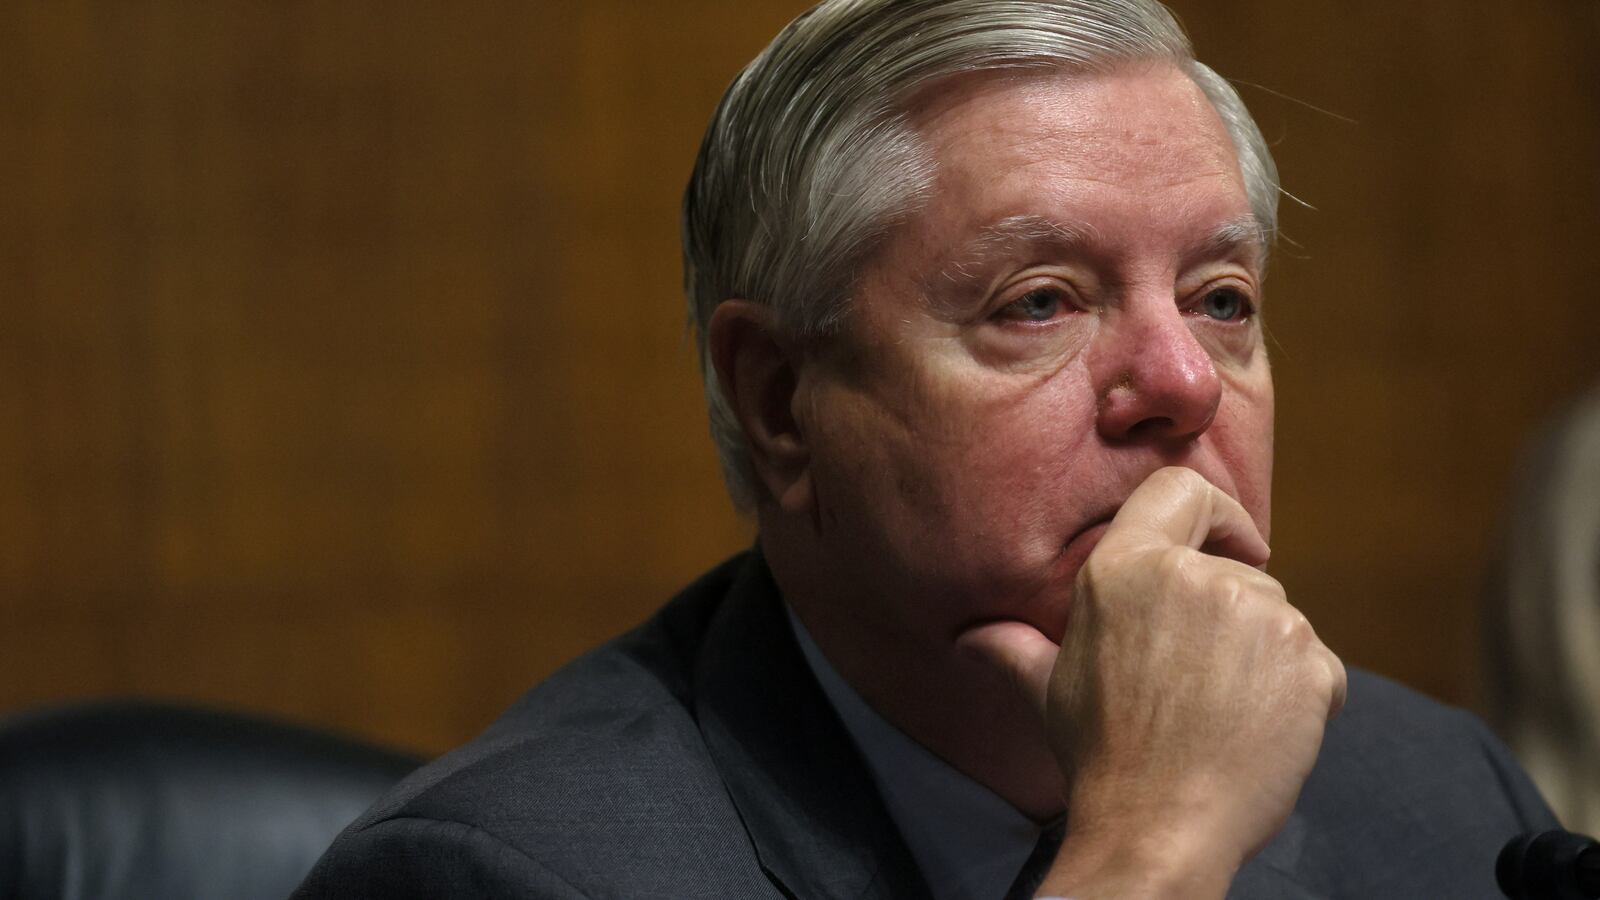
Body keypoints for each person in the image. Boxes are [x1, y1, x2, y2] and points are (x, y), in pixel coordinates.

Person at [295, 1, 1555, 897]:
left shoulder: (1440, 803)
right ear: (782, 403)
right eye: (1041, 301)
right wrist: (1145, 858)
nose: (1181, 383)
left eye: (1221, 299)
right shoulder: (511, 873)